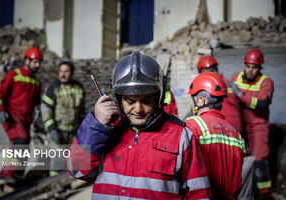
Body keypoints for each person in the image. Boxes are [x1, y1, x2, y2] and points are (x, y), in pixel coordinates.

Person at [67, 51, 212, 199]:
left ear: (158, 98)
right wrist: (96, 125)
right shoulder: (102, 130)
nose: (138, 109)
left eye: (146, 101)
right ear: (118, 99)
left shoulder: (181, 135)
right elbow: (77, 169)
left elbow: (199, 193)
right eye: (130, 101)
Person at [185, 72, 245, 199]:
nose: (191, 104)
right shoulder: (236, 134)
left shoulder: (192, 126)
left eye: (192, 98)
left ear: (201, 100)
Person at [0, 47, 43, 183]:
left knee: (25, 144)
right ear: (26, 60)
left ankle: (18, 177)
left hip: (26, 119)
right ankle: (6, 173)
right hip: (12, 116)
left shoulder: (37, 82)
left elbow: (37, 101)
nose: (38, 65)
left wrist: (38, 108)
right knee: (20, 140)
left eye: (39, 62)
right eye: (35, 62)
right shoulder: (12, 75)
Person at [230, 49, 274, 197]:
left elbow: (261, 103)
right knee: (238, 159)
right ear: (244, 64)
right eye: (248, 66)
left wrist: (240, 95)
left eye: (254, 67)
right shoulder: (236, 78)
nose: (250, 70)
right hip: (240, 125)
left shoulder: (266, 82)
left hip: (258, 127)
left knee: (259, 161)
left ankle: (264, 195)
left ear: (260, 68)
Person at [41, 61, 85, 176]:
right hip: (57, 131)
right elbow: (46, 110)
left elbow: (81, 112)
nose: (62, 74)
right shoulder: (53, 88)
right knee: (58, 159)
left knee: (75, 159)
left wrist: (83, 130)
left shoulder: (78, 88)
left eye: (66, 71)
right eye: (60, 71)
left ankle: (69, 184)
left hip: (73, 132)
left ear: (72, 73)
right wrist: (51, 130)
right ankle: (54, 186)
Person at [197, 56, 242, 133]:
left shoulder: (209, 86)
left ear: (205, 71)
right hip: (237, 128)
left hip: (221, 128)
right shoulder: (230, 84)